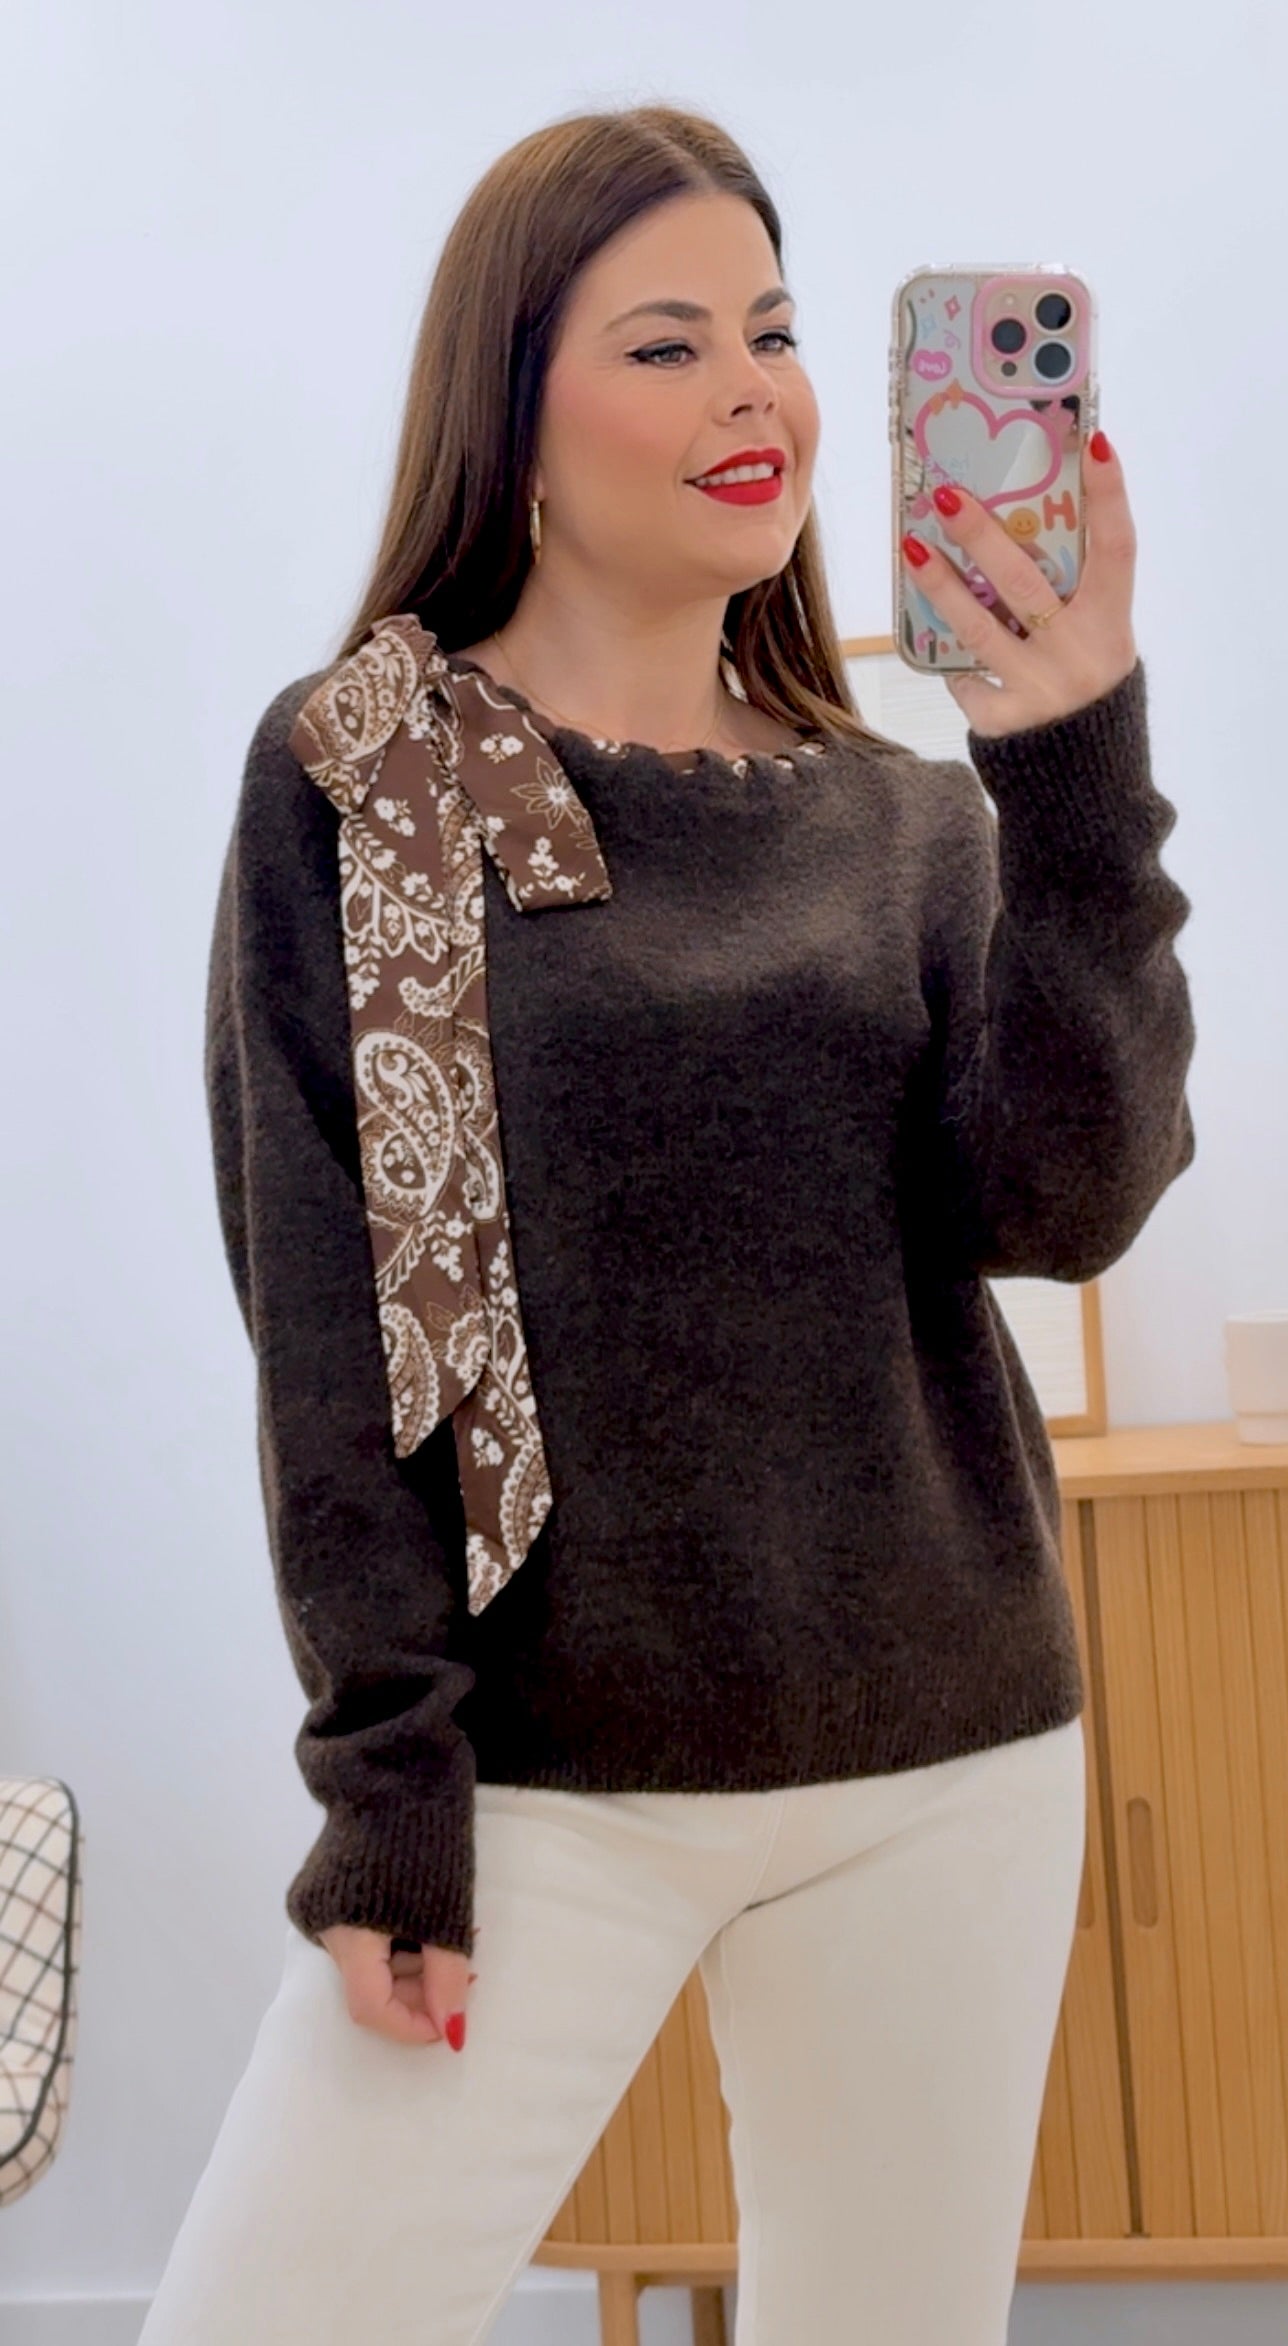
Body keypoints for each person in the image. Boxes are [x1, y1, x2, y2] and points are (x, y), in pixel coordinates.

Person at [141, 100, 1196, 2346]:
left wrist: (1074, 752)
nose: (755, 392)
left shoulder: (907, 817)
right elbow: (338, 1317)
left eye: (779, 333)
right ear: (511, 417)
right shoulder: (373, 766)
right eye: (668, 343)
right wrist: (388, 1773)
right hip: (548, 1766)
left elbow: (1070, 1204)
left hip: (946, 1737)